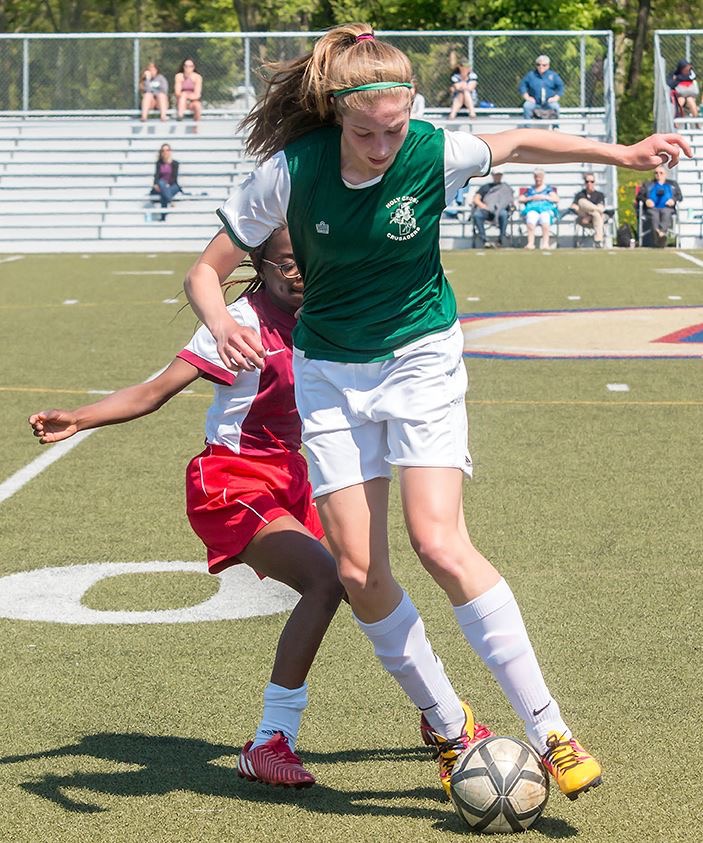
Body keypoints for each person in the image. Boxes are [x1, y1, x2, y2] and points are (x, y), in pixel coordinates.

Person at [182, 23, 690, 803]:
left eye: (393, 129)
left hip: (420, 357)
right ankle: (453, 727)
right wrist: (219, 320)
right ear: (333, 113)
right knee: (356, 569)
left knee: (439, 542)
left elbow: (518, 142)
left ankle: (550, 727)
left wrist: (618, 156)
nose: (382, 146)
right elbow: (206, 272)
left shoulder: (430, 149)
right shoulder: (288, 172)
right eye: (364, 132)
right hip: (329, 375)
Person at [28, 227, 345, 789]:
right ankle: (271, 741)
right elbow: (153, 393)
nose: (299, 273)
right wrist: (80, 417)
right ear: (261, 265)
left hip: (292, 476)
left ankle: (440, 715)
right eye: (286, 264)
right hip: (233, 481)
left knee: (367, 585)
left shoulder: (331, 313)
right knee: (325, 582)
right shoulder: (236, 323)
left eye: (308, 262)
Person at [638, 165, 683, 247]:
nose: (658, 175)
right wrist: (646, 200)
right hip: (653, 208)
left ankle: (660, 234)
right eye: (656, 173)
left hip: (667, 207)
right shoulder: (648, 184)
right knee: (654, 216)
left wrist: (673, 200)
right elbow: (639, 196)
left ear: (665, 174)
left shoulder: (672, 184)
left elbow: (679, 196)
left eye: (661, 173)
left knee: (666, 214)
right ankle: (660, 236)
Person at [471, 169, 514, 247]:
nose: (498, 176)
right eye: (496, 175)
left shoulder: (506, 187)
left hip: (500, 210)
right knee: (477, 215)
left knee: (504, 214)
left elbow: (510, 200)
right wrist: (484, 206)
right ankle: (484, 240)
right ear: (492, 175)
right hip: (487, 211)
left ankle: (501, 239)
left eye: (499, 175)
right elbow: (476, 199)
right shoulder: (485, 187)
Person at [518, 169, 559, 250]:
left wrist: (545, 197)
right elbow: (520, 199)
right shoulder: (530, 190)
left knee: (545, 218)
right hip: (532, 209)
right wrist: (531, 198)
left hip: (545, 209)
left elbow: (556, 199)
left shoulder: (548, 189)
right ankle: (530, 243)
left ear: (543, 177)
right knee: (531, 217)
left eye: (540, 177)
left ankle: (545, 244)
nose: (538, 179)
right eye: (536, 177)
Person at [519, 55, 564, 121]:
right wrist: (527, 97)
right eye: (538, 64)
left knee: (555, 106)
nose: (541, 67)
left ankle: (555, 127)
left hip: (548, 102)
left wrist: (556, 97)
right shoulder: (531, 75)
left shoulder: (553, 75)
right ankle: (528, 127)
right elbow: (522, 86)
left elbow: (560, 87)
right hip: (534, 102)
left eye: (544, 65)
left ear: (548, 65)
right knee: (527, 106)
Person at [570, 173, 606, 248]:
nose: (589, 183)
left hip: (595, 218)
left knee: (596, 214)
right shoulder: (580, 194)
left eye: (591, 181)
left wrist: (590, 216)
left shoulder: (599, 195)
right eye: (587, 181)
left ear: (594, 182)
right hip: (583, 216)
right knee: (581, 202)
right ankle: (599, 241)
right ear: (584, 183)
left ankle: (598, 241)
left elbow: (601, 206)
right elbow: (574, 206)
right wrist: (587, 214)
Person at [150, 143, 182, 222]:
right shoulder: (159, 163)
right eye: (163, 150)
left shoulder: (175, 163)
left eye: (167, 150)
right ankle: (170, 200)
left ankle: (163, 216)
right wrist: (156, 185)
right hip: (161, 186)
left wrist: (166, 186)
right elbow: (156, 177)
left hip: (172, 186)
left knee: (164, 191)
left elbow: (174, 178)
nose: (165, 152)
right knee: (161, 183)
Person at [174, 58, 203, 123]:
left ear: (193, 67)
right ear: (183, 67)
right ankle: (180, 116)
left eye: (190, 66)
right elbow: (177, 92)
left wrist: (186, 96)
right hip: (181, 102)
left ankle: (196, 128)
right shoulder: (179, 76)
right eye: (186, 66)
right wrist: (184, 96)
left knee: (198, 106)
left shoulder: (198, 77)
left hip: (193, 102)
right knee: (183, 95)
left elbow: (197, 95)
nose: (188, 68)